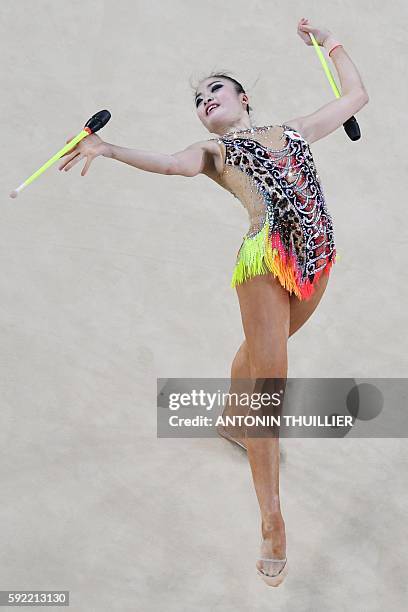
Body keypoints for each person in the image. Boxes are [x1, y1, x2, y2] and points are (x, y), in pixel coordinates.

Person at [58, 17, 369, 587]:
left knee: (257, 356)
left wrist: (327, 41)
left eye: (214, 92)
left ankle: (230, 418)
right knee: (271, 384)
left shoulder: (296, 129)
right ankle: (272, 520)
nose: (205, 102)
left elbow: (355, 96)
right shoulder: (214, 151)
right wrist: (107, 148)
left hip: (317, 261)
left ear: (243, 97)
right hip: (264, 267)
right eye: (199, 101)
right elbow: (173, 163)